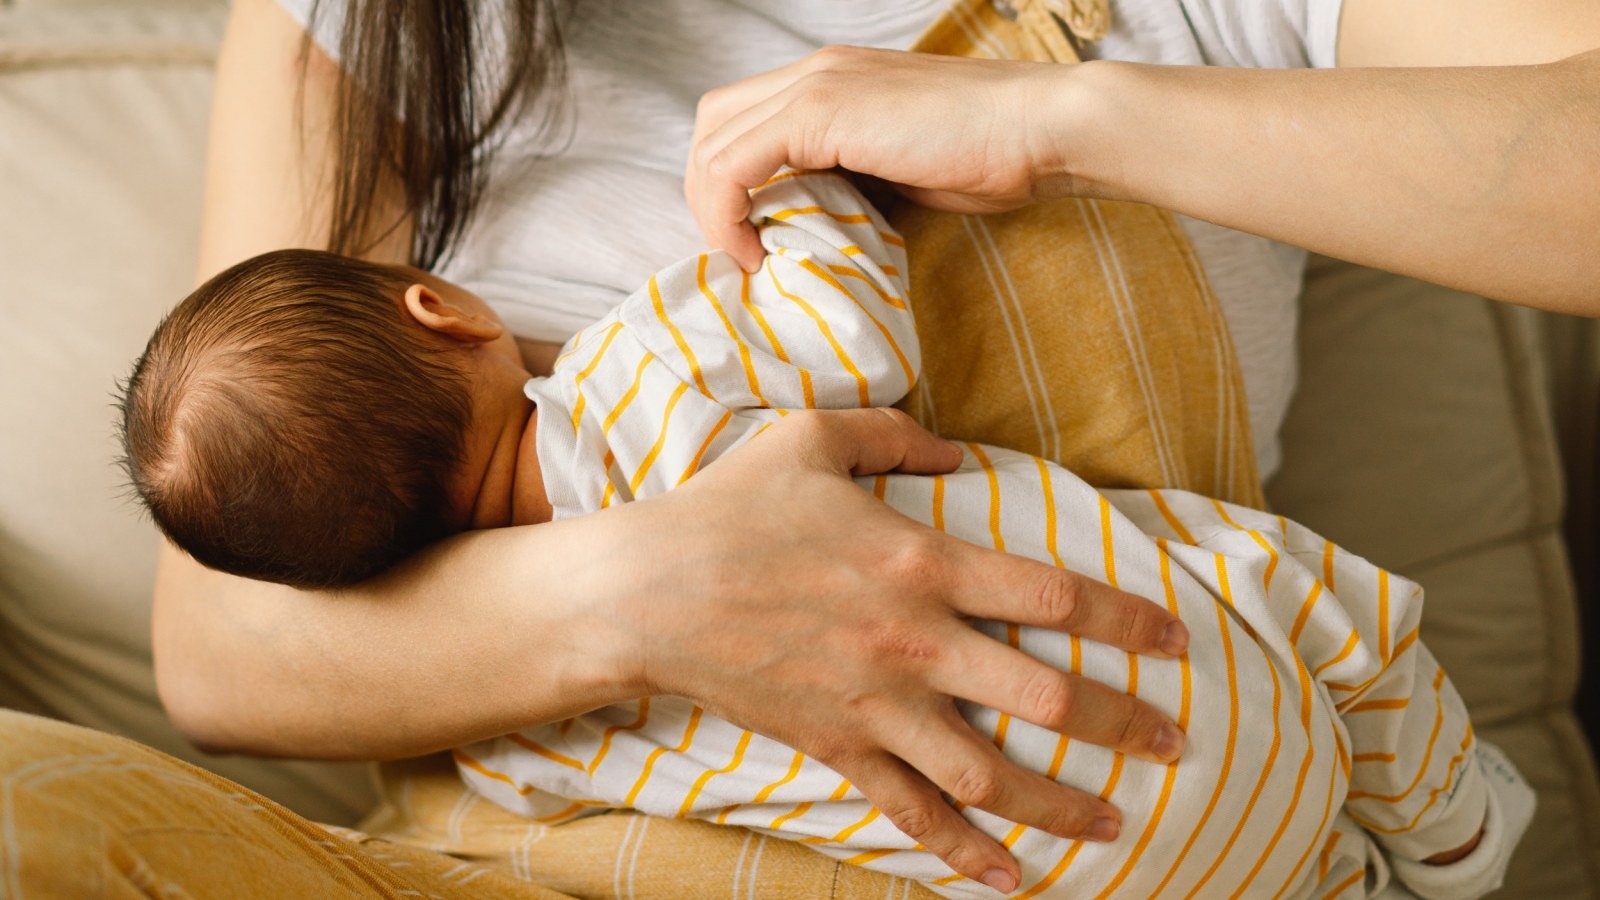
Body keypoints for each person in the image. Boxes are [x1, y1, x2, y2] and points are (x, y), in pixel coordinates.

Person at [152, 0, 1598, 890]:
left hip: (1117, 798)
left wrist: (1065, 113)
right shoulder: (368, 28)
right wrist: (655, 599)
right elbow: (225, 638)